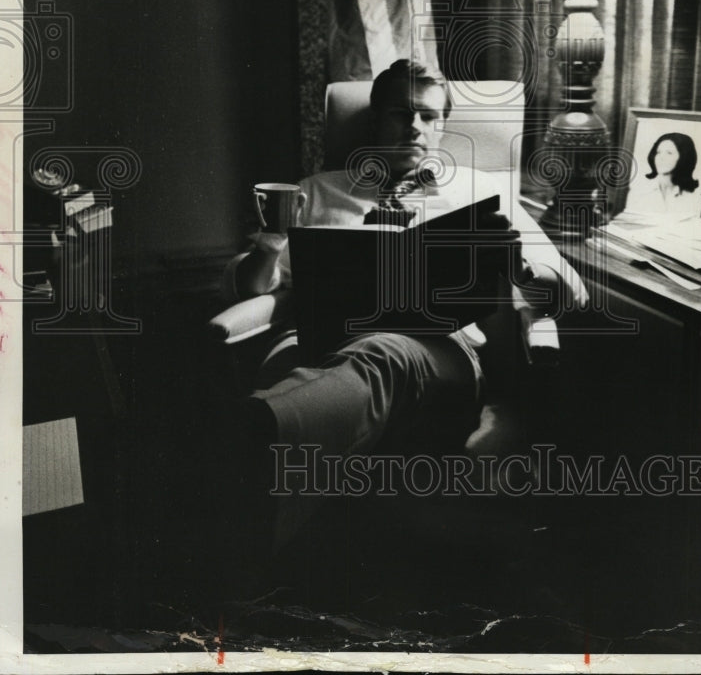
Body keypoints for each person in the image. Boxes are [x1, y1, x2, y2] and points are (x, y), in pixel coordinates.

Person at [209, 59, 587, 555]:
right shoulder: (316, 191)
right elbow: (247, 289)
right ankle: (268, 543)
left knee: (383, 350)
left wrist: (520, 268)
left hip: (440, 357)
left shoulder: (481, 192)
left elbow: (571, 292)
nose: (415, 127)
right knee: (340, 358)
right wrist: (269, 245)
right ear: (374, 121)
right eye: (400, 114)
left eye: (429, 117)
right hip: (319, 343)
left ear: (444, 126)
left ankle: (247, 436)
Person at [624, 131, 701, 220]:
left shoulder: (695, 199)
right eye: (658, 152)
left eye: (669, 153)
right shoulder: (638, 192)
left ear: (683, 157)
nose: (661, 157)